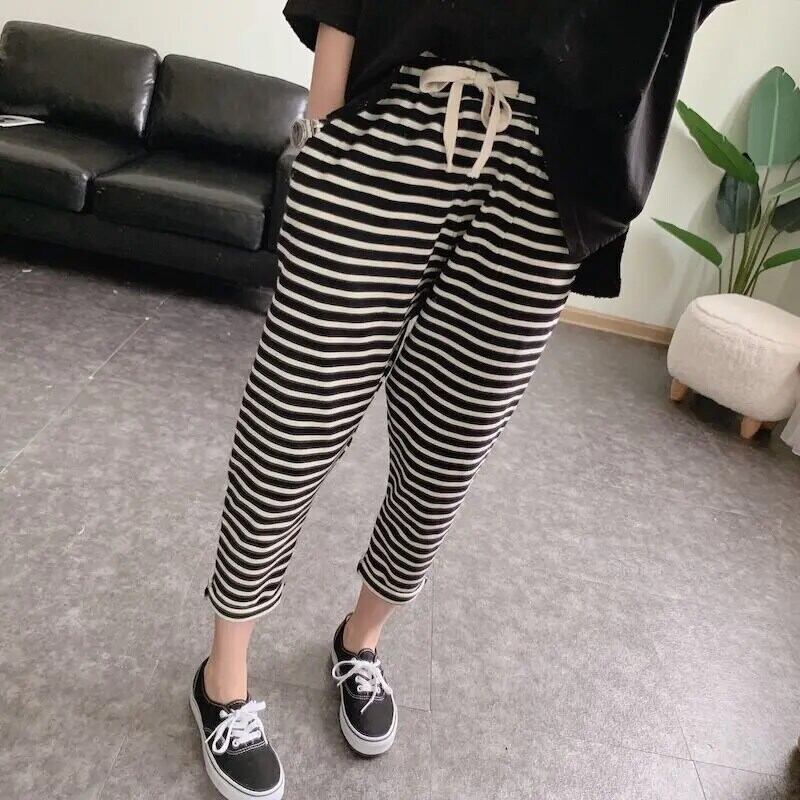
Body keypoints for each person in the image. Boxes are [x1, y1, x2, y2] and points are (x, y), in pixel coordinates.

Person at [188, 2, 735, 797]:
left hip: (553, 163)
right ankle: (223, 677)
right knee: (293, 419)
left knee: (450, 448)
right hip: (395, 118)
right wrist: (323, 132)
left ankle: (361, 641)